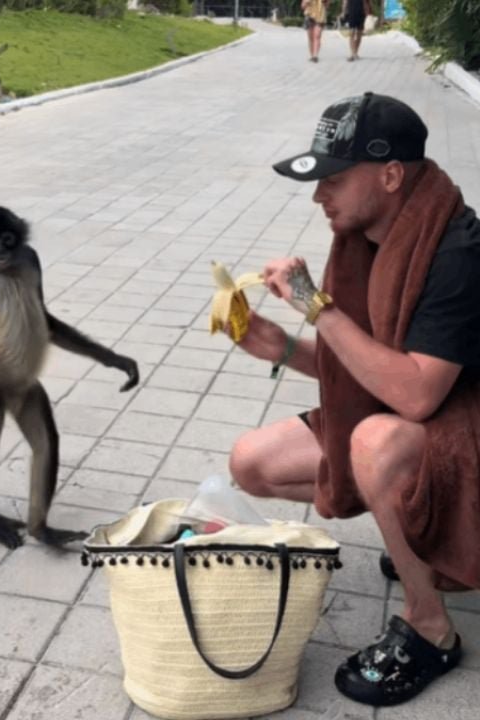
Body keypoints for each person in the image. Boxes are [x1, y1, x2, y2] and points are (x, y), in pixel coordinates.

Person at [225, 92, 477, 706]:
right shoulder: (367, 238)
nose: (319, 196)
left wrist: (316, 307)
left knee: (374, 444)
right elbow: (363, 370)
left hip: (463, 423)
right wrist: (282, 347)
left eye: (333, 179)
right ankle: (420, 535)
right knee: (251, 462)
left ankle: (429, 628)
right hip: (425, 415)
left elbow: (415, 394)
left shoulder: (458, 253)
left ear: (391, 176)